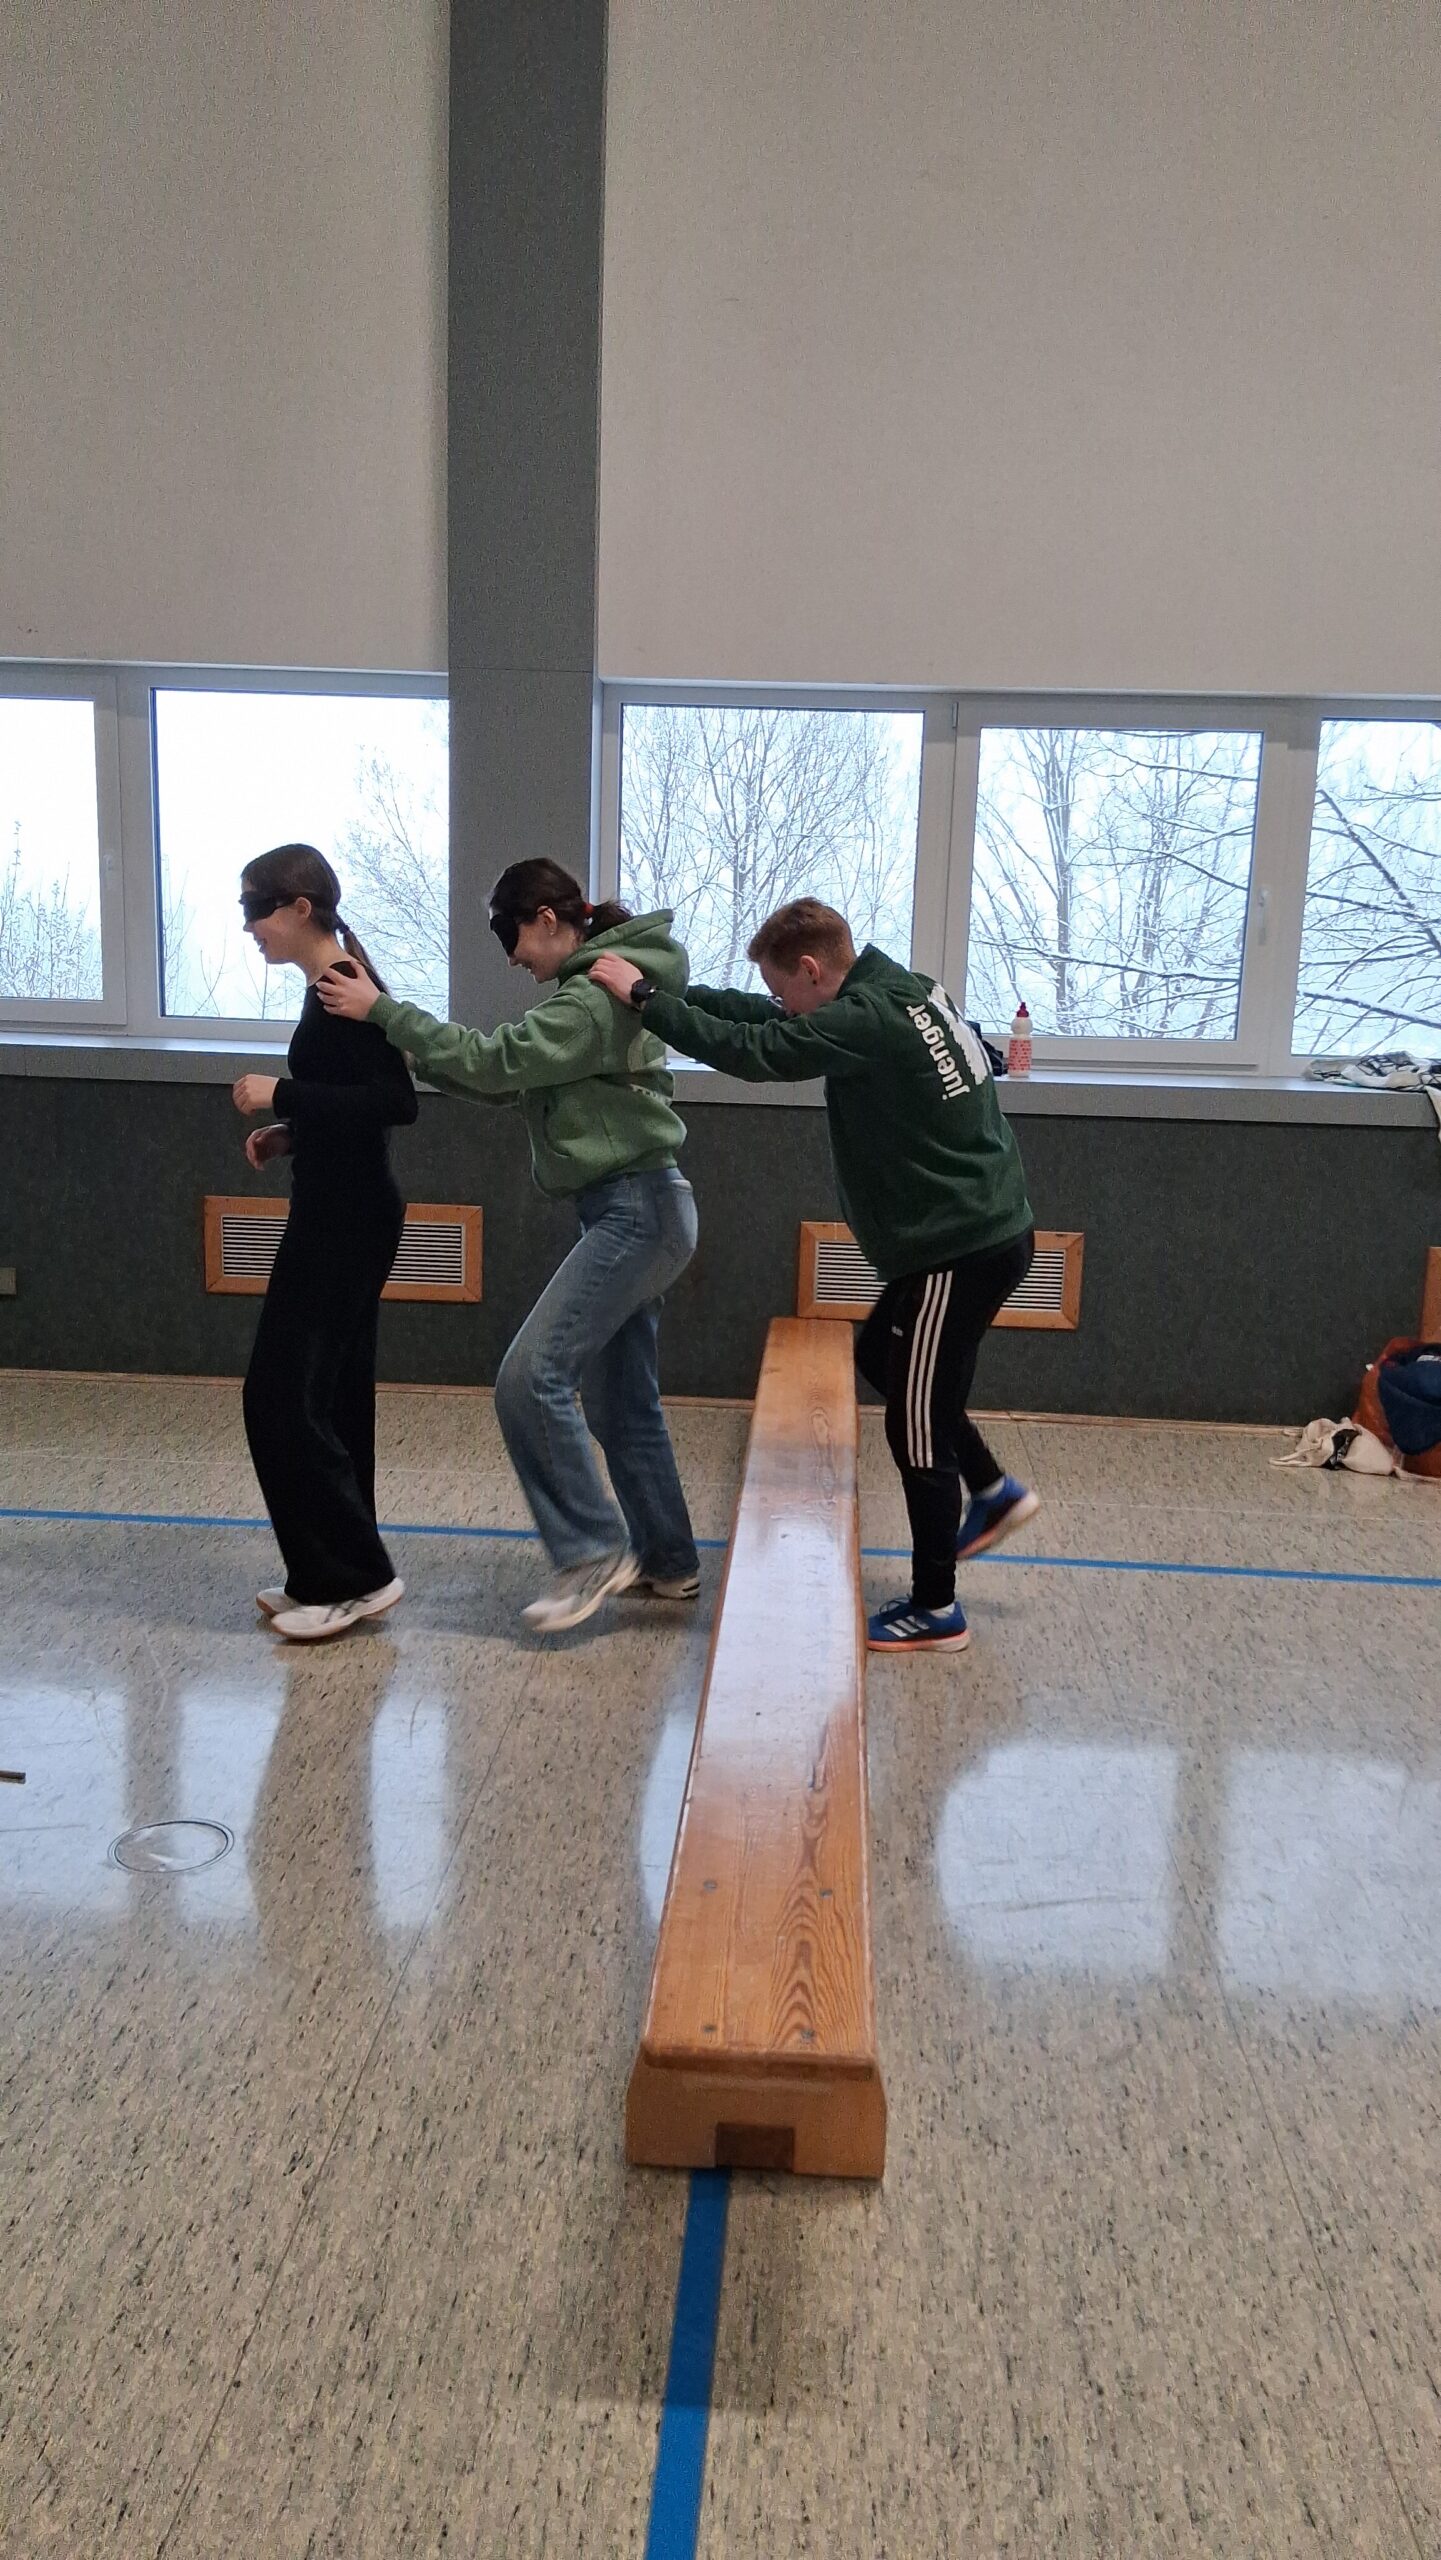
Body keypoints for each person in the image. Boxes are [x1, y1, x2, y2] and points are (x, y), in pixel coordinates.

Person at [590, 897, 1039, 1654]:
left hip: (957, 1250)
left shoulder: (865, 1021)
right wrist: (672, 993)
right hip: (974, 1233)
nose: (782, 1005)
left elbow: (756, 1051)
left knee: (915, 1422)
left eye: (784, 989)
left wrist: (644, 1000)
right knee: (884, 1361)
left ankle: (937, 1607)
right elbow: (763, 1018)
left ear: (810, 969)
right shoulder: (905, 988)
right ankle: (992, 1491)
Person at [316, 859, 699, 1635]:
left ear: (548, 920)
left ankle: (590, 1552)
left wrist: (385, 1011)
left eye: (514, 939)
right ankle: (668, 1560)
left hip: (637, 1212)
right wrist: (404, 1042)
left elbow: (497, 1060)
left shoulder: (590, 1001)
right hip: (638, 1209)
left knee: (528, 1380)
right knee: (621, 1404)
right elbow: (503, 1080)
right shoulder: (597, 990)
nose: (514, 959)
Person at [231, 844, 417, 1643]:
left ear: (300, 907)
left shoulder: (343, 984)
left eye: (257, 909)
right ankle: (326, 1574)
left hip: (346, 1220)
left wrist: (282, 1092)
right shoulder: (330, 986)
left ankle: (356, 1577)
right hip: (339, 1207)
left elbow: (396, 1102)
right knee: (332, 1396)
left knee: (278, 1396)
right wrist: (292, 1131)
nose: (250, 927)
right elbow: (351, 1103)